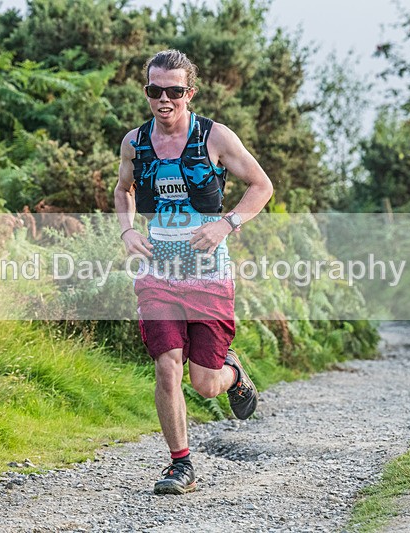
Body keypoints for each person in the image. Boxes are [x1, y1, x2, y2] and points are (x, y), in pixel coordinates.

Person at [114, 50, 273, 495]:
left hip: (208, 275)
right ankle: (180, 465)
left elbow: (262, 186)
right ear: (146, 91)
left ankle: (234, 374)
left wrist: (226, 223)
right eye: (154, 90)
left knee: (205, 384)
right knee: (168, 367)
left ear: (190, 93)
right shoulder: (135, 142)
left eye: (174, 91)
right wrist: (127, 231)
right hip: (157, 272)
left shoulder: (214, 137)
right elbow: (122, 189)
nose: (163, 99)